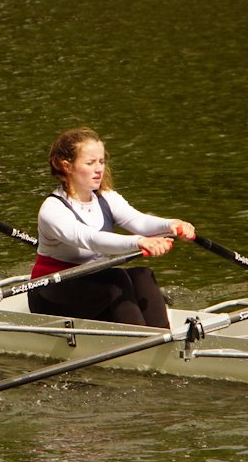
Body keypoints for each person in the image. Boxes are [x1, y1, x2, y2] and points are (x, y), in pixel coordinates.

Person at [28, 127, 195, 328]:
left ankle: (161, 338)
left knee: (142, 274)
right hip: (50, 294)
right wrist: (139, 241)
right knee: (116, 279)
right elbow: (91, 239)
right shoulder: (53, 209)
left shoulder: (106, 197)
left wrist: (172, 225)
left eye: (101, 161)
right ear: (67, 166)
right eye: (90, 163)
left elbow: (139, 221)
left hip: (90, 286)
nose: (99, 169)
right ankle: (140, 344)